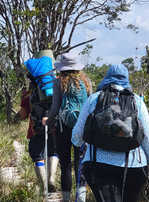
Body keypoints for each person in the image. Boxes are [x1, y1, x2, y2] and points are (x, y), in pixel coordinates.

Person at [71, 64, 149, 202]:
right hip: (134, 167)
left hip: (98, 165)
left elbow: (76, 137)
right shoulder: (137, 101)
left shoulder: (94, 99)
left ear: (107, 78)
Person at [42, 52, 92, 202]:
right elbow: (90, 105)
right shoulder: (86, 81)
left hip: (64, 129)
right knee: (80, 164)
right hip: (82, 129)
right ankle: (80, 198)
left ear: (62, 68)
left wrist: (49, 121)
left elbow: (55, 107)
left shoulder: (58, 82)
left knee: (65, 166)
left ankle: (65, 199)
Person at [17, 62, 59, 194]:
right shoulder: (56, 87)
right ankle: (52, 178)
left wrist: (22, 100)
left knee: (37, 155)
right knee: (53, 152)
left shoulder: (29, 94)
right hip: (54, 126)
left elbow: (23, 115)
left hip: (36, 129)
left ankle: (44, 187)